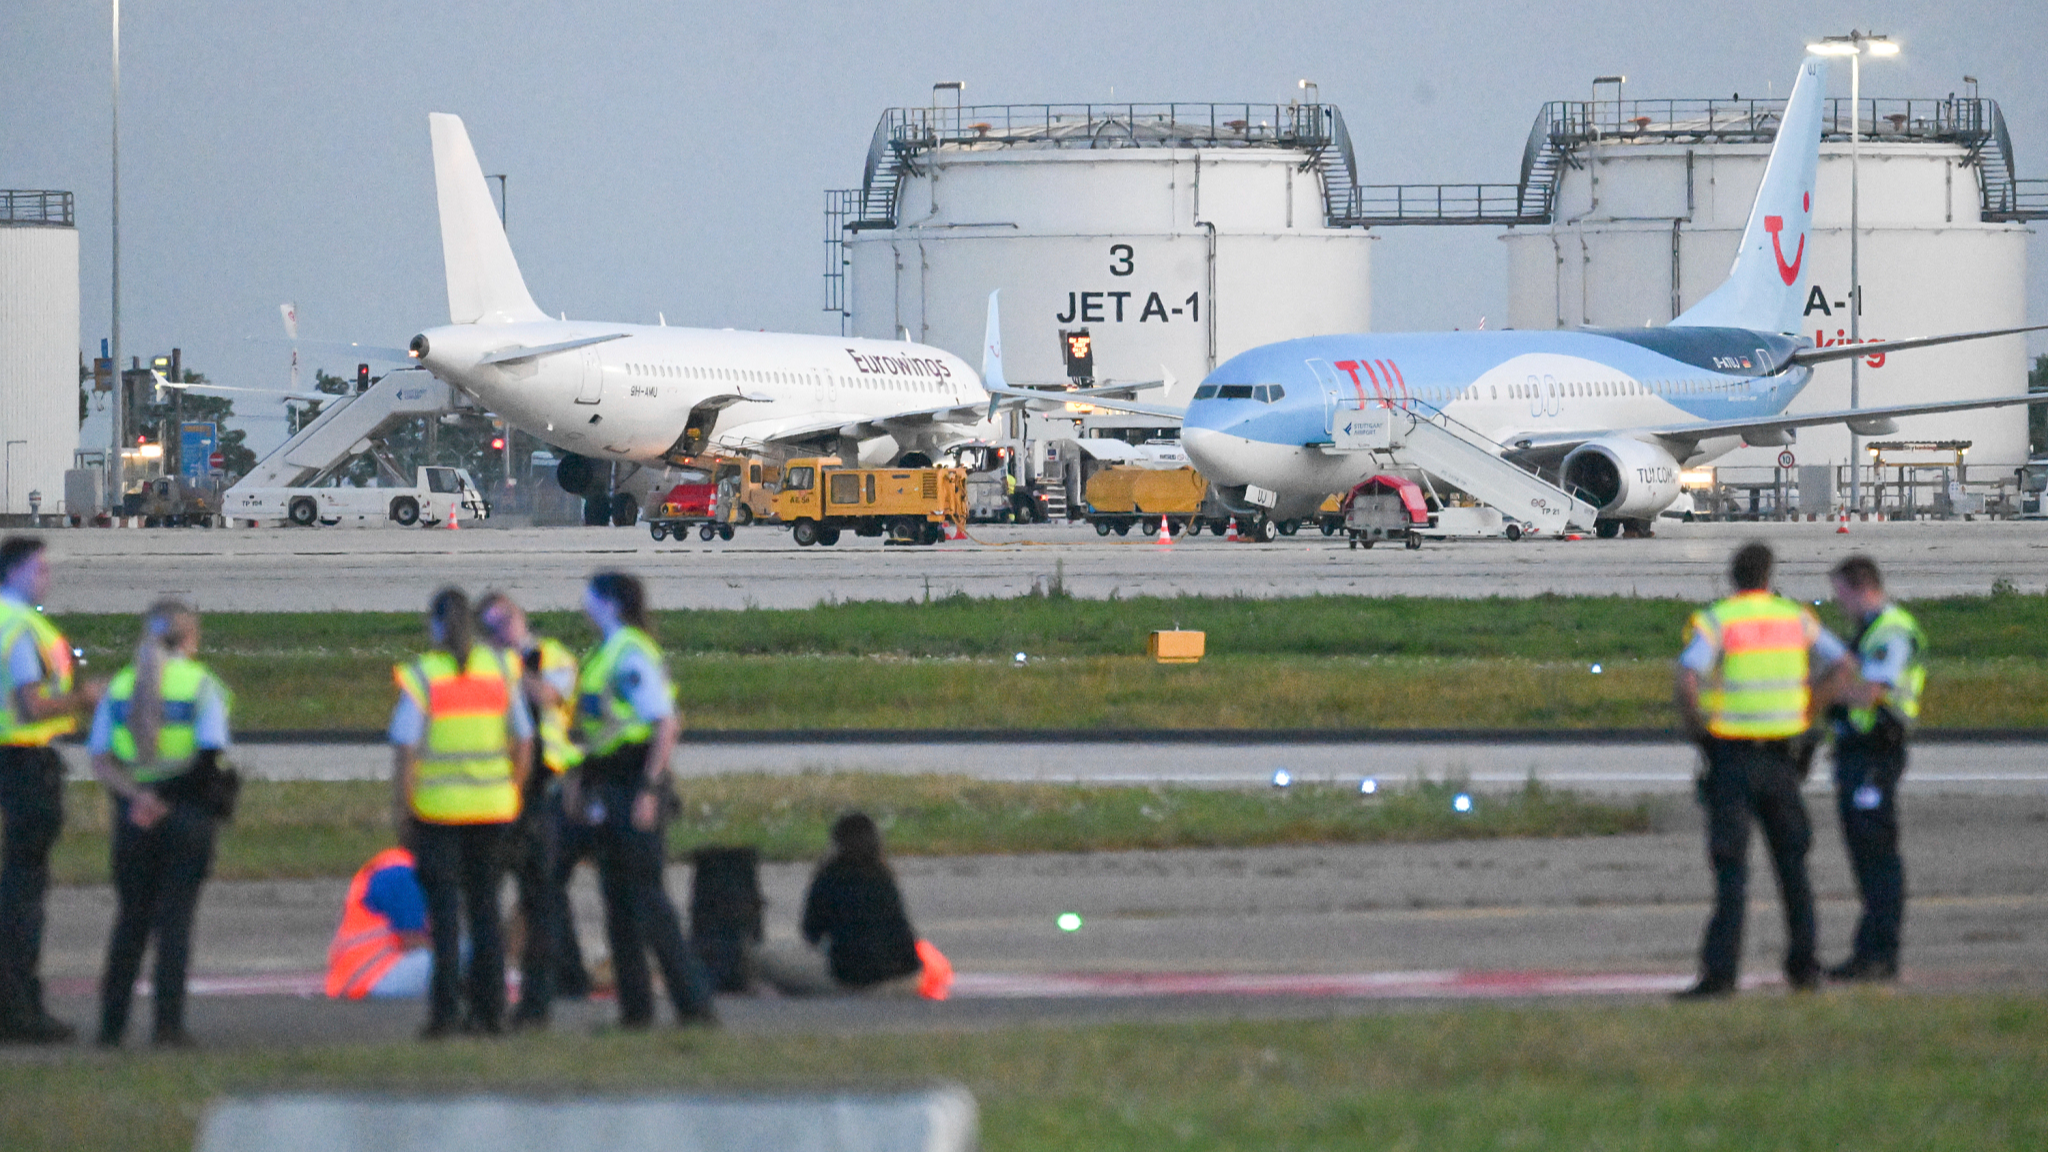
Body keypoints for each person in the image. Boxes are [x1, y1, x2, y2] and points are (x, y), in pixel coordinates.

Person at [1672, 541, 1851, 999]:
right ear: (1770, 576)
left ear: (1732, 578)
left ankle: (1720, 975)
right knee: (1793, 867)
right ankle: (1804, 966)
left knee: (1731, 870)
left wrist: (1700, 732)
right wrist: (1810, 711)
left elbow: (1687, 676)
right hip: (1781, 760)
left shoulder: (1718, 620)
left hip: (1731, 756)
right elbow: (1843, 665)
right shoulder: (1795, 618)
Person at [570, 570, 715, 1028]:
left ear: (610, 602)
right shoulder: (606, 651)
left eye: (591, 595)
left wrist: (649, 789)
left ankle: (694, 1006)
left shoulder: (629, 653)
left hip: (632, 781)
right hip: (607, 781)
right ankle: (636, 1012)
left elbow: (665, 723)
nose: (583, 602)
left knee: (648, 901)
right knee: (618, 905)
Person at [390, 587, 532, 1038]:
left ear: (434, 625)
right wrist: (512, 787)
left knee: (446, 919)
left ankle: (446, 1015)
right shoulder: (501, 669)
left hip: (437, 814)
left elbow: (406, 748)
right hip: (492, 810)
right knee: (487, 911)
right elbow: (524, 740)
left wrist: (402, 807)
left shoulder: (425, 675)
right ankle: (492, 1014)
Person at [90, 601, 233, 1048]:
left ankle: (111, 1027)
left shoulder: (119, 686)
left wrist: (139, 797)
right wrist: (167, 799)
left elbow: (100, 757)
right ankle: (168, 1026)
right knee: (175, 923)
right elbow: (209, 756)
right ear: (189, 637)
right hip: (186, 814)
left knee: (130, 920)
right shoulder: (200, 685)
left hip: (133, 817)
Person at [0, 536, 104, 1044]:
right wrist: (83, 697)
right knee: (22, 892)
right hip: (20, 762)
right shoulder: (18, 627)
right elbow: (30, 706)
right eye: (39, 569)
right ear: (15, 571)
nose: (48, 577)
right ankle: (18, 1009)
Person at [476, 591, 590, 1026]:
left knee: (546, 885)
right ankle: (562, 974)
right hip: (505, 786)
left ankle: (562, 976)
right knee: (539, 889)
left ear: (522, 618)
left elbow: (550, 695)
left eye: (506, 620)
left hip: (552, 781)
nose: (501, 630)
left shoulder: (551, 655)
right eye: (491, 625)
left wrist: (509, 668)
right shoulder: (488, 664)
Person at [1825, 554, 1925, 983]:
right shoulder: (1867, 631)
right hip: (1857, 753)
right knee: (1865, 852)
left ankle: (1881, 953)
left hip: (1876, 754)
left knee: (1877, 852)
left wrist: (1825, 693)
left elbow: (1872, 693)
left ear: (1858, 586)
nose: (1839, 603)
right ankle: (1871, 950)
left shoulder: (1892, 631)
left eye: (1841, 594)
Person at [756, 812, 924, 997]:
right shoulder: (883, 875)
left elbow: (811, 933)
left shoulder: (830, 876)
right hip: (907, 978)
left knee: (761, 962)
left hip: (852, 982)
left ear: (836, 843)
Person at [326, 847, 435, 1000]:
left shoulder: (391, 865)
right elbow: (412, 940)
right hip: (372, 977)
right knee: (461, 956)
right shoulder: (400, 872)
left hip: (354, 977)